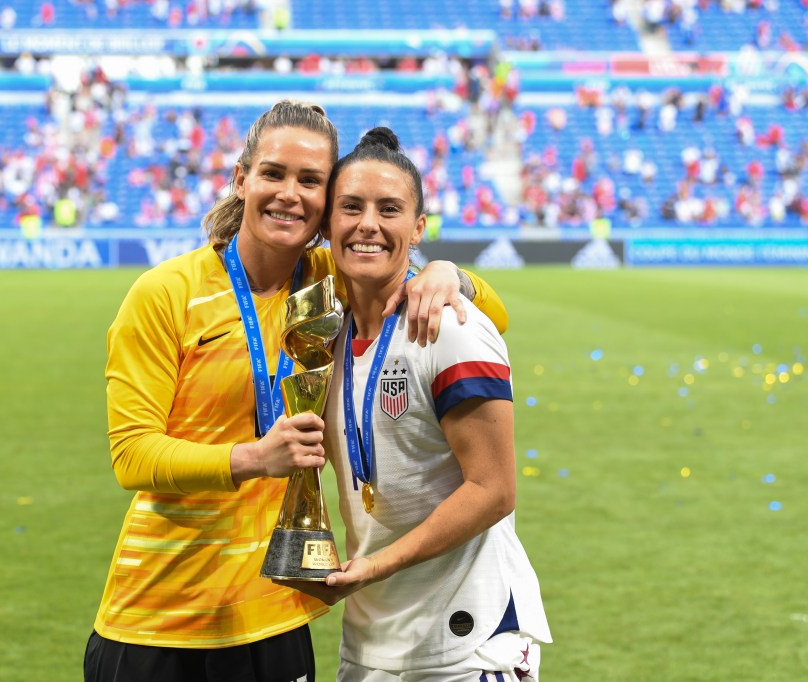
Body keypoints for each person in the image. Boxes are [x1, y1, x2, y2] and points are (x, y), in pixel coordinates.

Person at [84, 101, 510, 682]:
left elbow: (493, 313)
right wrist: (256, 458)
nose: (290, 193)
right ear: (241, 180)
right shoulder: (164, 295)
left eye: (310, 180)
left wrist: (444, 273)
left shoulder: (329, 281)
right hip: (161, 614)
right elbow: (131, 454)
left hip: (277, 616)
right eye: (273, 173)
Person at [281, 127, 552, 681]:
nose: (368, 225)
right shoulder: (320, 340)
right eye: (350, 207)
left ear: (419, 227)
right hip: (370, 642)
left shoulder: (450, 330)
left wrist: (373, 567)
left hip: (467, 643)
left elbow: (494, 489)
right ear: (328, 224)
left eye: (390, 209)